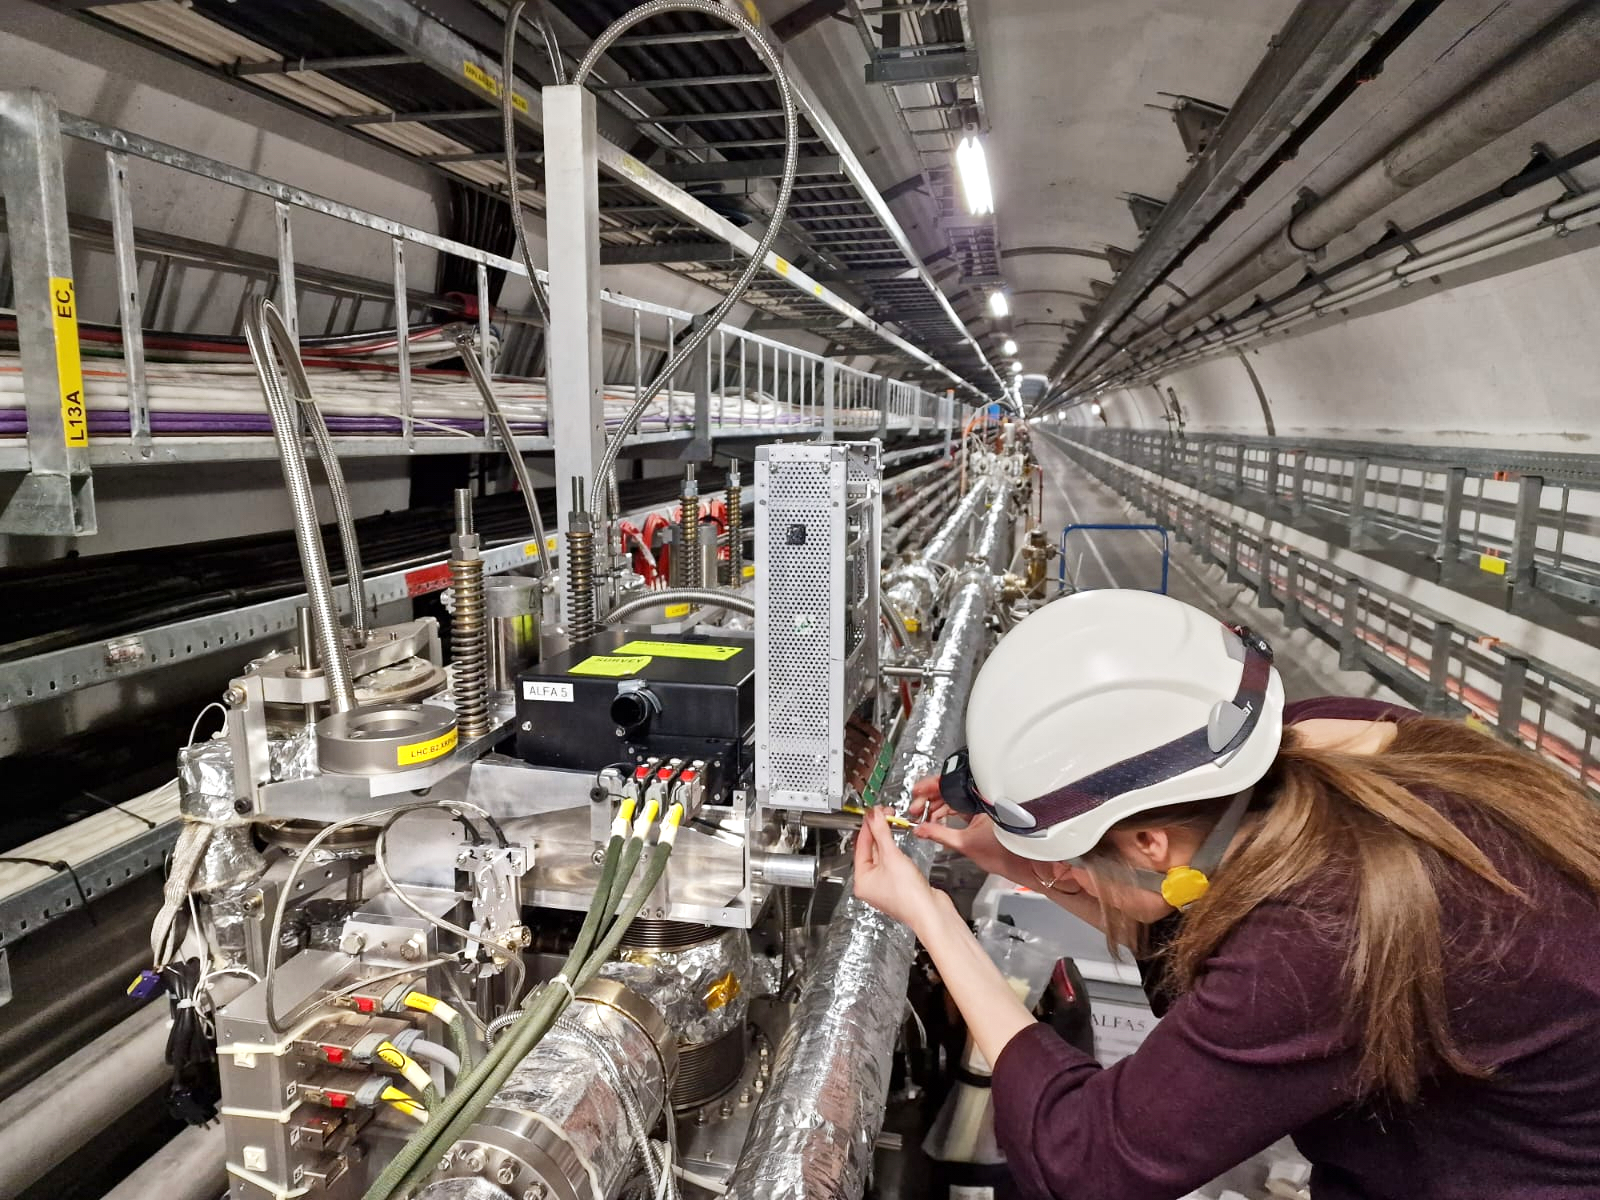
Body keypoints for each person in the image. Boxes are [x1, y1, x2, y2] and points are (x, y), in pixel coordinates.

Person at [853, 589, 1600, 1200]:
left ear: (1148, 844)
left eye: (1072, 865)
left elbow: (1084, 1160)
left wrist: (932, 914)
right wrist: (1035, 860)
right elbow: (1182, 907)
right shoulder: (1311, 742)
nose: (1063, 879)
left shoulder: (1317, 936)